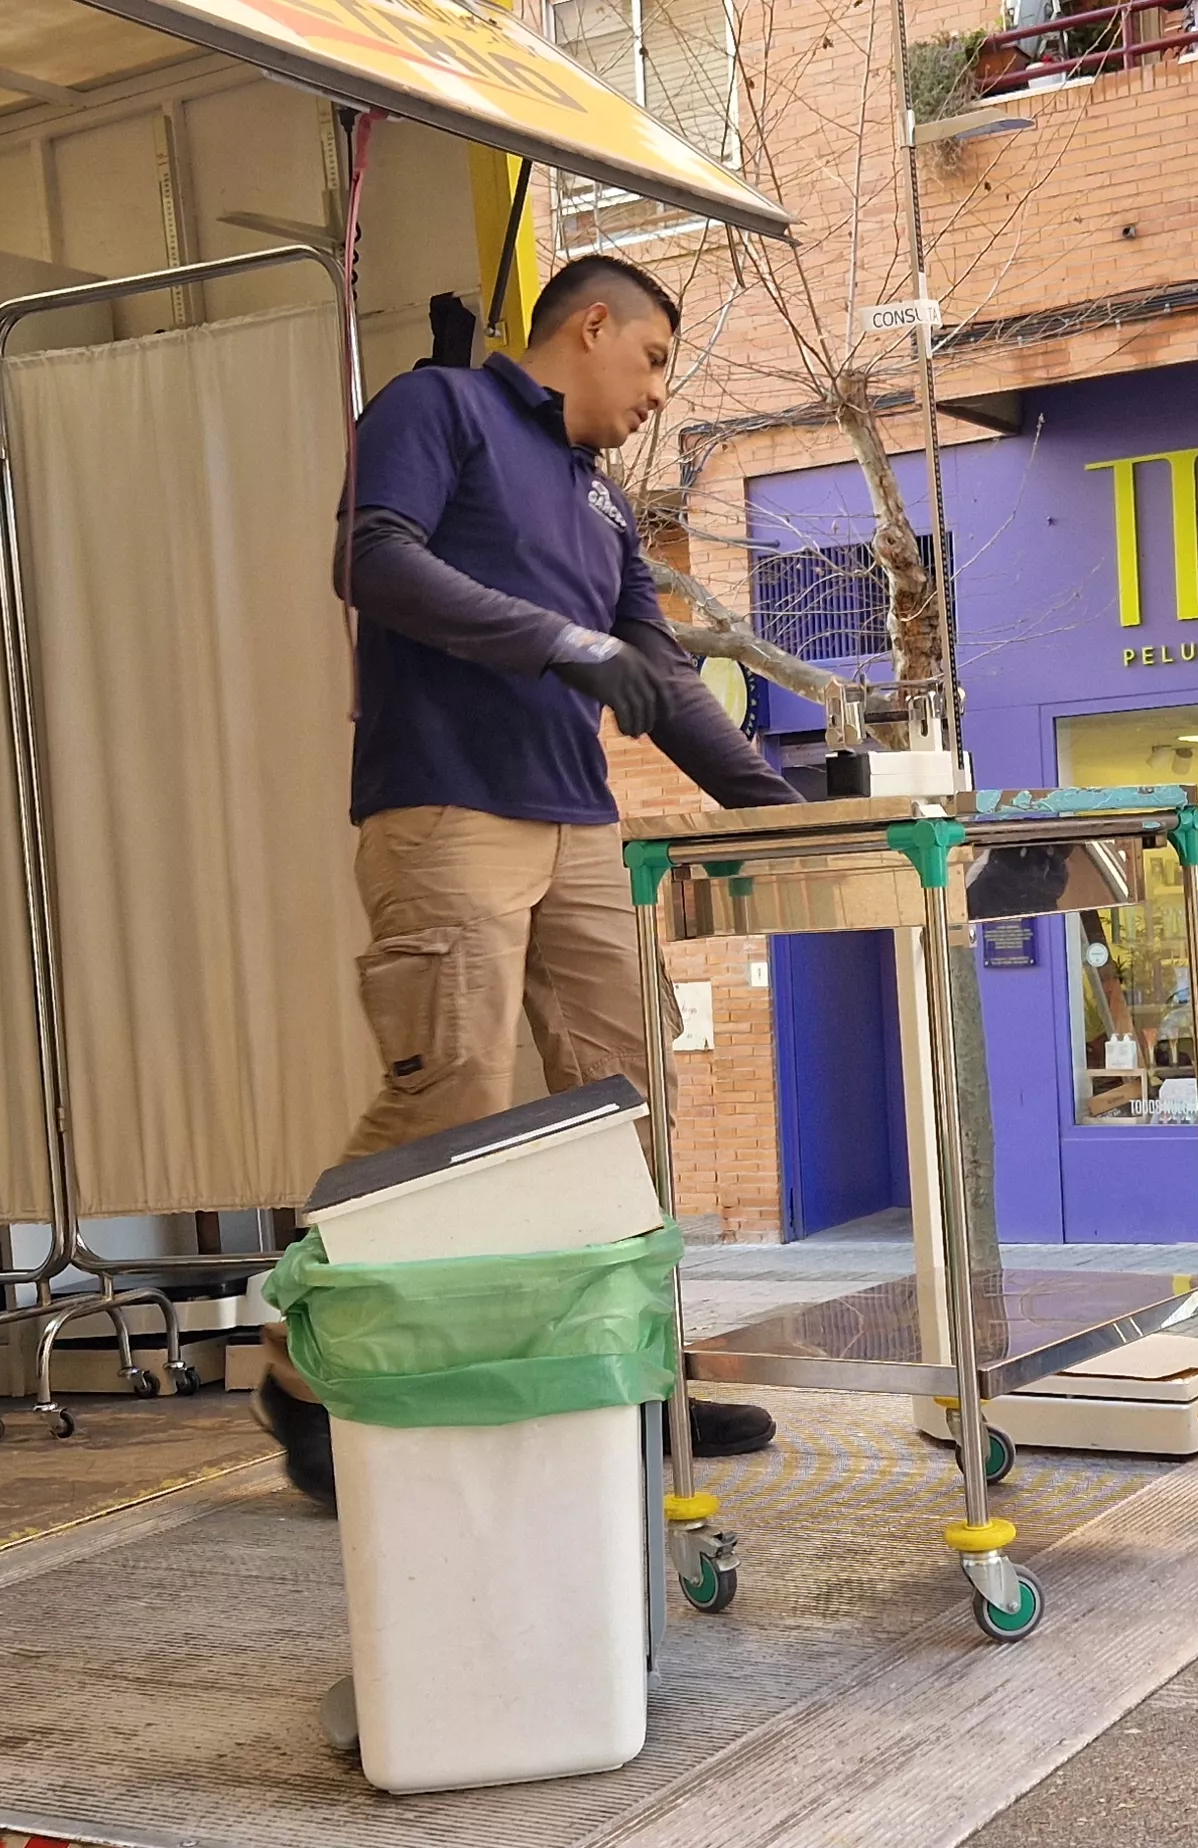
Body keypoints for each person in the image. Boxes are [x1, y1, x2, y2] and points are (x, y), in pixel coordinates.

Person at [253, 255, 800, 1502]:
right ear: (590, 326)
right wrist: (557, 640)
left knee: (628, 1099)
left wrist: (789, 813)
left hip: (577, 827)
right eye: (655, 358)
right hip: (446, 809)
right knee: (447, 1094)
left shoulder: (600, 502)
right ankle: (300, 1364)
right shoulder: (436, 408)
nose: (661, 390)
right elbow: (370, 559)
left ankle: (628, 1370)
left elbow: (656, 677)